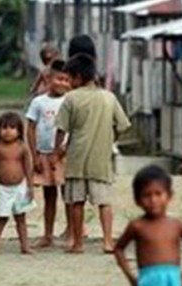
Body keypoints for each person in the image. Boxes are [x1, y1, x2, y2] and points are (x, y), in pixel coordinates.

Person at [56, 54, 131, 254]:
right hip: (101, 158)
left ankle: (78, 243)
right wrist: (110, 138)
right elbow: (123, 125)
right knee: (104, 202)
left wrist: (57, 151)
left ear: (78, 77)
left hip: (77, 158)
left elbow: (61, 129)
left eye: (70, 78)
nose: (68, 83)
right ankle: (107, 241)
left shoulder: (71, 98)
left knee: (76, 202)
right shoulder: (109, 97)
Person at [26, 59, 70, 248]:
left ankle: (72, 232)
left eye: (66, 80)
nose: (62, 83)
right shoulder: (38, 102)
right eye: (58, 79)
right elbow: (30, 127)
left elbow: (74, 128)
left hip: (64, 155)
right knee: (48, 196)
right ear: (48, 78)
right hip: (43, 154)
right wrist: (34, 155)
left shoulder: (70, 101)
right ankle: (48, 234)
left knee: (68, 195)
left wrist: (64, 149)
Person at [0, 112, 35, 255]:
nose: (8, 132)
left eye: (12, 128)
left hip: (20, 187)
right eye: (4, 128)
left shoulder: (22, 147)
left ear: (19, 131)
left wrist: (30, 186)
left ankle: (25, 246)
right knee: (1, 218)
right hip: (3, 189)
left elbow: (28, 167)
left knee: (21, 218)